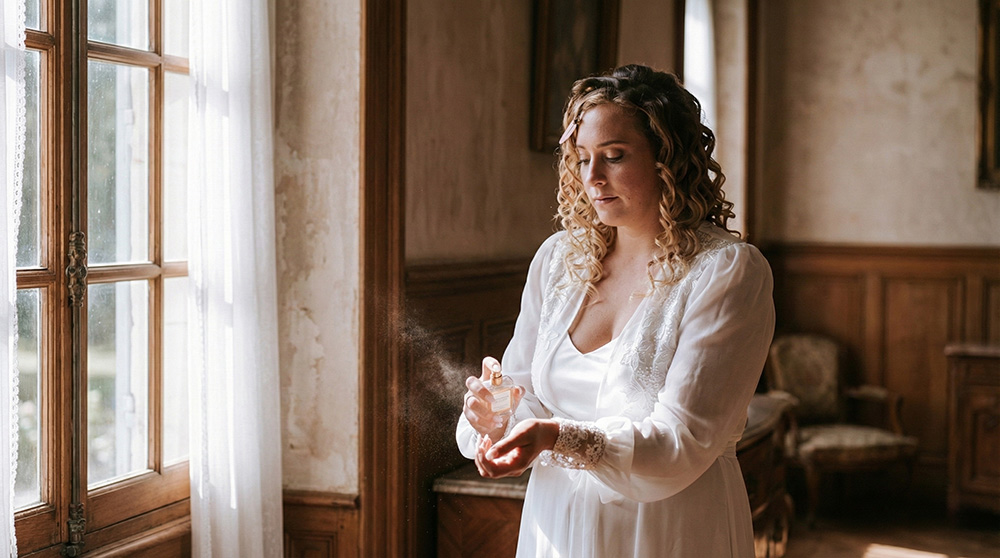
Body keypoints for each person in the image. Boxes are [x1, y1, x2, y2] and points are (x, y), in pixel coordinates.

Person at [456, 64, 775, 557]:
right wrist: (496, 416)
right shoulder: (559, 260)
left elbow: (683, 441)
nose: (593, 177)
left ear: (668, 158)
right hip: (557, 525)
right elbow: (524, 390)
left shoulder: (727, 272)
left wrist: (555, 437)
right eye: (582, 158)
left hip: (670, 529)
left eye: (614, 156)